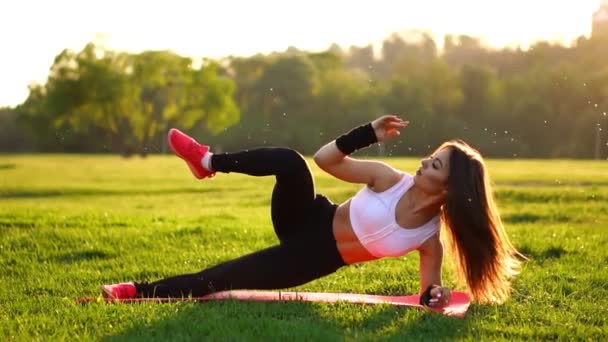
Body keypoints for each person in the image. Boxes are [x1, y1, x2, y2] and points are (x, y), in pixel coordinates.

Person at [101, 115, 523, 306]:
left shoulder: (428, 239)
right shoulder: (389, 178)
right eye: (429, 157)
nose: (423, 163)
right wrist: (366, 134)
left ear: (450, 187)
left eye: (434, 164)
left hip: (313, 259)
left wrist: (438, 295)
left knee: (221, 278)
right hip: (307, 217)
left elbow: (427, 296)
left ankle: (135, 290)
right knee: (292, 161)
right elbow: (326, 160)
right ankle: (207, 162)